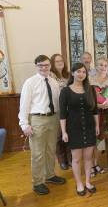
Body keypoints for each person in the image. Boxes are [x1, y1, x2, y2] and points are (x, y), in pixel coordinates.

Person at [18, 55, 66, 195]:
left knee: (51, 150)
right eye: (40, 65)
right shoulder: (30, 82)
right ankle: (37, 182)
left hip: (53, 119)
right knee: (38, 154)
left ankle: (50, 175)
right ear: (36, 66)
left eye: (46, 65)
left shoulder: (53, 82)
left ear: (50, 65)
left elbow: (57, 102)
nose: (44, 68)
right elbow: (24, 105)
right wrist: (24, 124)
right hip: (38, 120)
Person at [59, 62, 100, 196]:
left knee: (88, 157)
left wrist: (97, 126)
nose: (81, 74)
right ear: (72, 73)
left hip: (89, 127)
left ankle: (88, 181)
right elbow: (63, 114)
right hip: (73, 128)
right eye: (78, 71)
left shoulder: (91, 89)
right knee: (76, 159)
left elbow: (95, 110)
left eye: (83, 72)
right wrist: (64, 131)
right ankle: (79, 183)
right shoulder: (65, 91)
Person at [89, 57, 108, 176]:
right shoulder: (90, 80)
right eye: (100, 65)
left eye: (105, 65)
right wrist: (98, 106)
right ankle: (90, 166)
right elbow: (86, 98)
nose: (103, 67)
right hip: (91, 113)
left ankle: (95, 164)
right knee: (91, 141)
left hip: (105, 115)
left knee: (100, 141)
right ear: (96, 66)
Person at [49, 53, 71, 170]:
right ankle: (62, 160)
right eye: (57, 61)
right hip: (57, 109)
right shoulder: (51, 75)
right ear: (53, 63)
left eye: (61, 61)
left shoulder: (68, 75)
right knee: (59, 136)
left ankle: (69, 157)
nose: (60, 63)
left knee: (69, 134)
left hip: (69, 109)